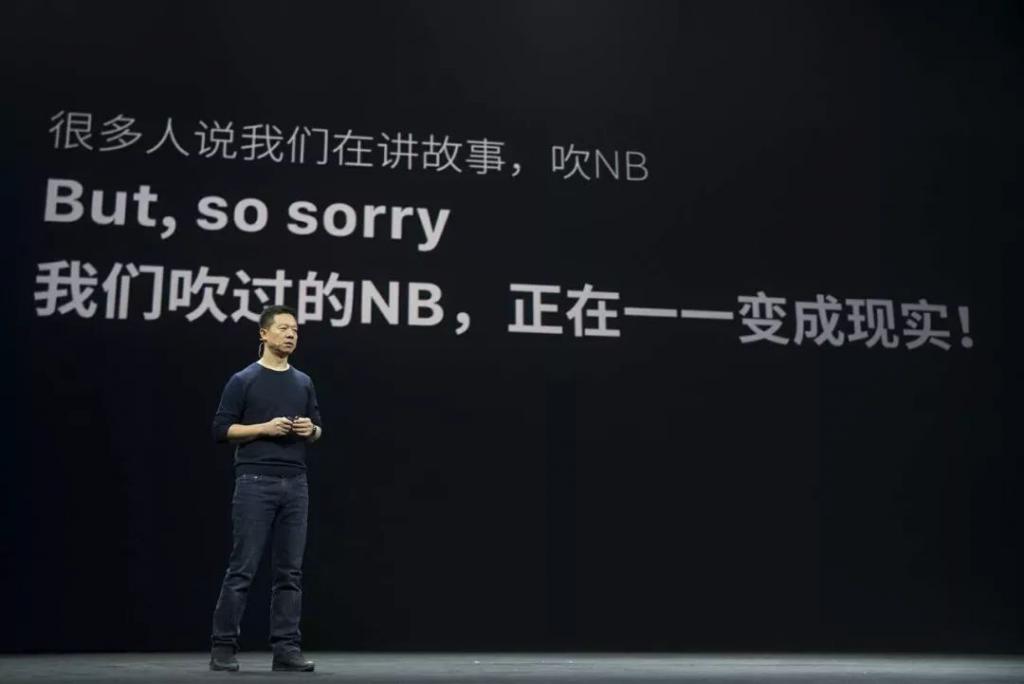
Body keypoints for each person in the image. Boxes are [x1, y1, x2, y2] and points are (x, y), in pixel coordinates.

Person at [208, 304, 323, 673]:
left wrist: (311, 430)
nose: (290, 335)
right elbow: (221, 430)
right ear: (263, 333)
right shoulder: (244, 380)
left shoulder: (303, 381)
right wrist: (264, 428)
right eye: (283, 328)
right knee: (243, 568)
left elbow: (317, 428)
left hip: (296, 483)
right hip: (255, 482)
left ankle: (286, 649)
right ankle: (223, 647)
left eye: (295, 330)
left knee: (290, 572)